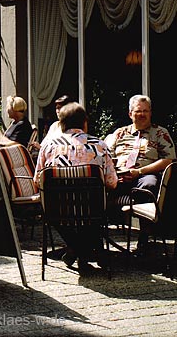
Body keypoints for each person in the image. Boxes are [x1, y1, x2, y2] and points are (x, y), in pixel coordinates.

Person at [34, 101, 117, 273]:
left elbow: (37, 180)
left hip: (57, 210)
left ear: (61, 124)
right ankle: (84, 250)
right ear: (85, 122)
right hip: (93, 209)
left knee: (64, 212)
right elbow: (112, 183)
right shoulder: (99, 145)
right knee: (93, 210)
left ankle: (75, 248)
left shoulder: (48, 147)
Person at [106, 94, 175, 249]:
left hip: (144, 176)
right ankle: (91, 243)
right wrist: (115, 174)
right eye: (138, 111)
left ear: (150, 113)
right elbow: (105, 157)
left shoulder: (160, 133)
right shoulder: (119, 133)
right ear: (130, 114)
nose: (142, 114)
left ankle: (144, 235)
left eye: (146, 111)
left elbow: (168, 160)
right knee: (94, 186)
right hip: (118, 178)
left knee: (150, 183)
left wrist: (140, 171)